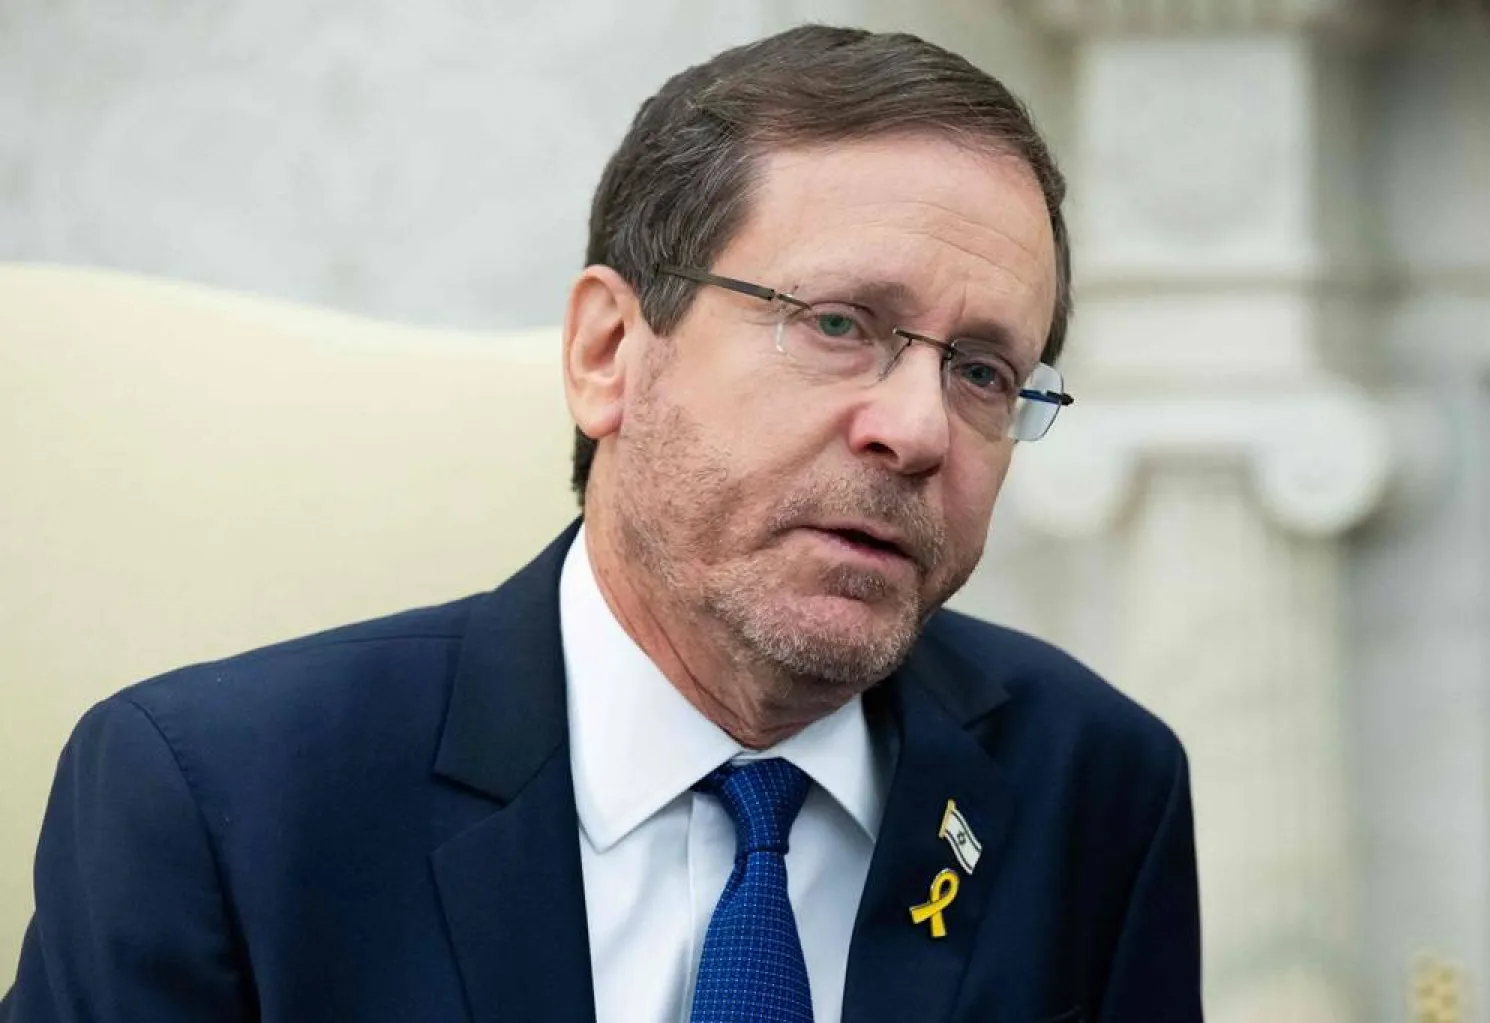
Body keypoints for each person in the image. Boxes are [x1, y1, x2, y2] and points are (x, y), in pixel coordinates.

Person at [2, 24, 1201, 1023]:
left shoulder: (1091, 788)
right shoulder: (217, 803)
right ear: (609, 353)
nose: (919, 428)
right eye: (840, 324)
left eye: (984, 371)